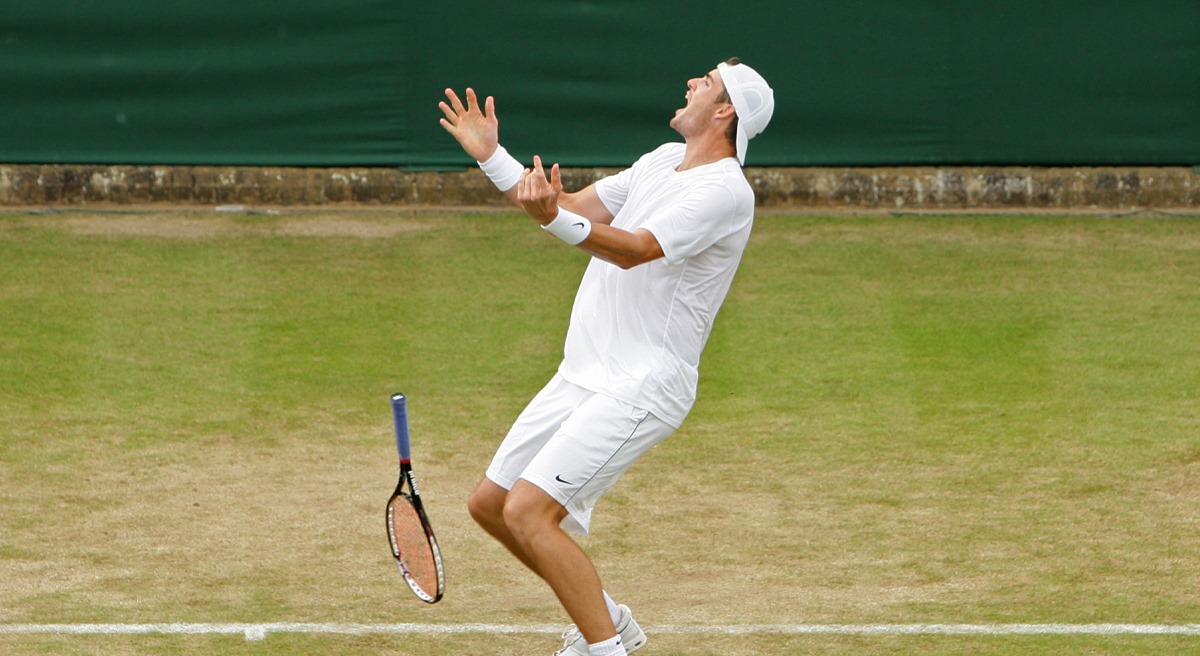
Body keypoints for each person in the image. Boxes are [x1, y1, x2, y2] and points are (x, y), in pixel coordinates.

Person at [438, 57, 774, 656]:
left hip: (642, 385)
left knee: (531, 512)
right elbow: (566, 206)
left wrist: (552, 221)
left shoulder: (726, 192)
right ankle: (610, 620)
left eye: (708, 82)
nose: (693, 82)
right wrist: (493, 156)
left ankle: (604, 649)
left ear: (724, 111)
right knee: (491, 505)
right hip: (584, 372)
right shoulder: (660, 162)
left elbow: (636, 249)